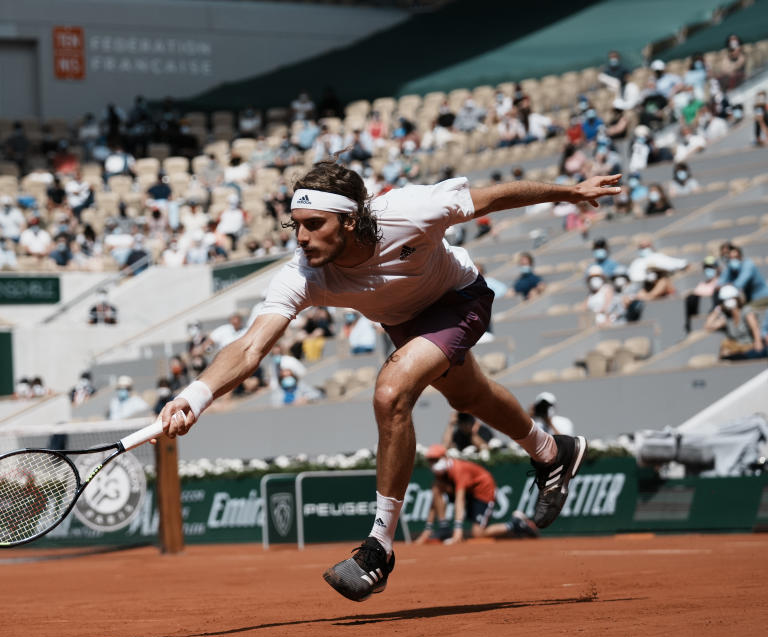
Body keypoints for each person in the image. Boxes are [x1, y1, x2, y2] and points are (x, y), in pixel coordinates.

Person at [158, 161, 618, 602]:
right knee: (469, 395)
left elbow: (494, 197)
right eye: (295, 224)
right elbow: (250, 346)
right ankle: (551, 451)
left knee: (390, 391)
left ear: (352, 219)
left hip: (458, 300)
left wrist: (572, 191)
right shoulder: (303, 274)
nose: (301, 237)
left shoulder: (409, 211)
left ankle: (379, 548)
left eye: (314, 223)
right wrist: (194, 397)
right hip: (402, 323)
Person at [414, 445, 537, 545]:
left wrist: (458, 530)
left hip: (483, 492)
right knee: (436, 488)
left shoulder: (458, 469)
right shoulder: (440, 474)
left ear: (445, 458)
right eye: (430, 461)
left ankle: (516, 524)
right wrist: (427, 530)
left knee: (478, 533)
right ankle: (444, 527)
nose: (432, 464)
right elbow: (433, 503)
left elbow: (460, 500)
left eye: (435, 460)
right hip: (469, 493)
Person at [704, 285, 766, 360]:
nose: (728, 301)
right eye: (725, 300)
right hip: (736, 347)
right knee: (725, 348)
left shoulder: (746, 311)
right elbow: (708, 326)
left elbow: (755, 328)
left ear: (736, 298)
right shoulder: (727, 318)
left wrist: (758, 343)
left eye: (730, 298)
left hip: (749, 346)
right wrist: (717, 310)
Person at [718, 245, 768, 309]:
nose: (733, 260)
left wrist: (728, 284)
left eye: (736, 257)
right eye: (731, 258)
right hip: (749, 299)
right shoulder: (730, 267)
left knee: (746, 311)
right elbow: (720, 283)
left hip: (762, 297)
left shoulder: (748, 265)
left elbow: (740, 283)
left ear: (740, 256)